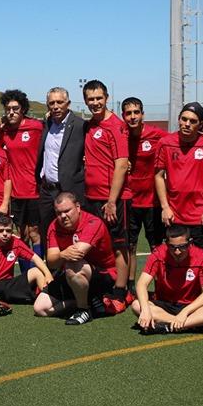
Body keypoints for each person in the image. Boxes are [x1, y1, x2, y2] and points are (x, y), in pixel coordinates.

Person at [81, 80, 132, 312]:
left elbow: (121, 164)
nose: (95, 103)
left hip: (112, 199)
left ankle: (122, 293)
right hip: (91, 197)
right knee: (98, 246)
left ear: (107, 97)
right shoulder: (89, 125)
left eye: (99, 98)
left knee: (119, 245)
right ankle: (105, 287)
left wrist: (112, 201)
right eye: (90, 99)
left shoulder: (116, 125)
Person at [34, 192, 117, 325]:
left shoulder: (93, 222)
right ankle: (84, 302)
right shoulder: (54, 226)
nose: (63, 216)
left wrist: (60, 256)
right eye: (59, 213)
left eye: (67, 211)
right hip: (73, 276)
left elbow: (77, 254)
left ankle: (83, 310)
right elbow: (51, 261)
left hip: (103, 275)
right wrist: (62, 255)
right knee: (40, 309)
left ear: (78, 207)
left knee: (73, 265)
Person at [131, 225, 203, 335]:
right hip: (165, 305)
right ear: (166, 244)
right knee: (136, 305)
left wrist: (184, 312)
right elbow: (141, 284)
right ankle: (196, 325)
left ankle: (167, 326)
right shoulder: (158, 254)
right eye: (172, 247)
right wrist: (145, 310)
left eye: (182, 247)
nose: (177, 252)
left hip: (192, 307)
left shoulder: (201, 257)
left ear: (190, 243)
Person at [154, 103, 203, 260]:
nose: (187, 124)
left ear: (201, 125)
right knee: (175, 259)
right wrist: (165, 207)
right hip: (174, 215)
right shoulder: (165, 143)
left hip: (201, 215)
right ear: (179, 119)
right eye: (184, 119)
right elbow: (158, 176)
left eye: (193, 121)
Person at [122, 97, 168, 291]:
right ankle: (130, 286)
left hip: (153, 203)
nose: (132, 117)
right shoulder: (121, 135)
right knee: (130, 246)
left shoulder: (157, 135)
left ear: (142, 114)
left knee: (156, 247)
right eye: (128, 113)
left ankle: (161, 287)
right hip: (129, 200)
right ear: (123, 116)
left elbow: (180, 138)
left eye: (136, 112)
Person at [0, 215, 52, 315]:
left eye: (8, 230)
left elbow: (36, 258)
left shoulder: (16, 243)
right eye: (1, 230)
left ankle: (48, 297)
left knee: (36, 271)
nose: (5, 234)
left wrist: (48, 275)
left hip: (9, 284)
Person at [35, 87, 85, 255]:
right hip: (46, 190)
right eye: (51, 103)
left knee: (70, 234)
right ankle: (51, 274)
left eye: (59, 102)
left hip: (68, 189)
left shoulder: (80, 126)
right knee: (47, 234)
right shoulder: (46, 125)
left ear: (68, 104)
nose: (55, 106)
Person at [0, 89, 43, 247]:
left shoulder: (36, 127)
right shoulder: (4, 130)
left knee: (35, 232)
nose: (11, 112)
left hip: (35, 189)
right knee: (22, 234)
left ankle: (39, 270)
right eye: (8, 109)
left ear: (23, 109)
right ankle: (26, 272)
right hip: (16, 192)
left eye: (15, 109)